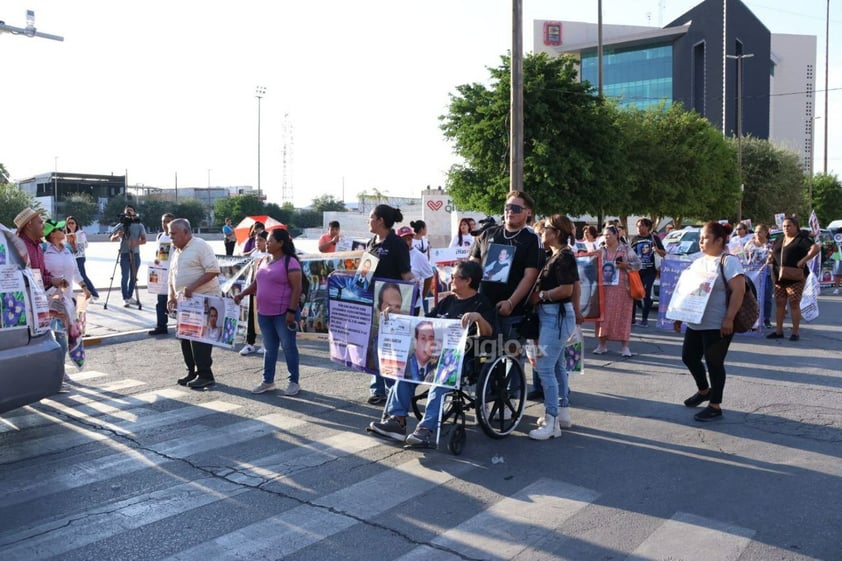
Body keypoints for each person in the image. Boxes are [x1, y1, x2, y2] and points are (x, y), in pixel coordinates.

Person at [369, 261, 494, 444]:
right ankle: (397, 421)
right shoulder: (448, 301)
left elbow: (489, 334)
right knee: (406, 371)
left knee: (440, 379)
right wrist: (398, 314)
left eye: (454, 277)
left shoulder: (481, 303)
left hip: (460, 358)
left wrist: (478, 319)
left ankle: (426, 428)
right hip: (432, 353)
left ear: (467, 280)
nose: (450, 280)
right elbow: (424, 323)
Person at [674, 221, 746, 422]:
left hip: (718, 323)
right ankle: (704, 390)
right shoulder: (698, 262)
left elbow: (739, 290)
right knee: (689, 357)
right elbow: (689, 290)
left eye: (705, 238)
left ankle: (715, 406)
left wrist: (729, 318)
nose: (701, 242)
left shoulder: (729, 261)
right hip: (696, 321)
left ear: (719, 240)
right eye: (700, 238)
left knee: (714, 363)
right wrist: (680, 314)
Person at [526, 215, 579, 439]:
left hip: (555, 316)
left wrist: (541, 295)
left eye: (546, 228)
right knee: (557, 366)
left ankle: (552, 422)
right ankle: (562, 413)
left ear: (556, 233)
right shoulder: (556, 255)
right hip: (554, 316)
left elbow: (567, 289)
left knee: (545, 368)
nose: (542, 231)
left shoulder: (564, 256)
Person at [234, 228, 302, 396]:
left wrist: (291, 311)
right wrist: (242, 294)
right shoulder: (264, 260)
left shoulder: (290, 262)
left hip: (283, 314)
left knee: (288, 347)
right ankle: (268, 381)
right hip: (264, 313)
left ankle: (293, 382)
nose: (267, 243)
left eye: (271, 241)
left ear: (281, 243)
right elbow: (257, 284)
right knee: (269, 349)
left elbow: (297, 289)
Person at [470, 191, 541, 350]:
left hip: (512, 313)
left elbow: (530, 276)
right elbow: (472, 268)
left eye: (516, 208)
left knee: (511, 363)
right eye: (508, 207)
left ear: (527, 212)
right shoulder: (488, 233)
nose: (510, 211)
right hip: (483, 309)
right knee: (482, 360)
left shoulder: (530, 239)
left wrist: (511, 302)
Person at [364, 204, 413, 404]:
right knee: (374, 347)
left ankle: (397, 394)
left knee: (391, 350)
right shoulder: (370, 243)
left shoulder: (397, 244)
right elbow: (364, 273)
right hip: (372, 305)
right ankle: (378, 390)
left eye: (370, 218)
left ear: (380, 220)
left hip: (391, 308)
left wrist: (412, 289)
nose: (368, 222)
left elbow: (406, 274)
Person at [167, 218, 222, 389]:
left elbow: (213, 270)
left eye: (173, 234)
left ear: (186, 232)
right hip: (185, 302)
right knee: (185, 338)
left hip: (202, 299)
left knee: (200, 340)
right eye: (170, 234)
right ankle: (192, 371)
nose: (171, 237)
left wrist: (192, 287)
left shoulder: (200, 246)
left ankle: (205, 374)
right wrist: (171, 296)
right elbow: (172, 276)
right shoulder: (177, 251)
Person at [43, 218, 90, 392]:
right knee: (50, 336)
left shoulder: (67, 249)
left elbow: (75, 270)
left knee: (62, 337)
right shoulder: (43, 250)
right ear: (51, 234)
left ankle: (59, 370)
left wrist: (84, 287)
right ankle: (53, 371)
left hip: (66, 300)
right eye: (59, 229)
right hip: (49, 300)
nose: (64, 230)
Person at [766, 216, 820, 341]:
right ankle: (778, 331)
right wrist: (770, 258)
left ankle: (795, 332)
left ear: (796, 227)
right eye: (784, 226)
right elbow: (773, 251)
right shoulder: (780, 239)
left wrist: (803, 260)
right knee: (779, 303)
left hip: (795, 276)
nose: (786, 228)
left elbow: (815, 248)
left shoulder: (801, 239)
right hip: (779, 277)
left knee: (794, 303)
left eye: (789, 226)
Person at [593, 225, 641, 356]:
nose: (606, 237)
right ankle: (601, 345)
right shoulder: (601, 250)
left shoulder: (625, 249)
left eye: (609, 235)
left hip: (623, 289)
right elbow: (591, 263)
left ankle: (625, 346)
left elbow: (638, 264)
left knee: (623, 316)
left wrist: (626, 265)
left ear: (616, 235)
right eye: (605, 235)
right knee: (603, 317)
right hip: (604, 289)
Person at [13, 208, 64, 291]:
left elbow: (41, 274)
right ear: (29, 226)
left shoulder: (37, 247)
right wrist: (51, 280)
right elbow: (24, 278)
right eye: (40, 223)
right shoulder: (20, 247)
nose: (44, 226)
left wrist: (54, 280)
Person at [630, 218, 666, 327]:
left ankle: (644, 319)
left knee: (646, 293)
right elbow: (630, 254)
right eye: (638, 226)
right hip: (637, 271)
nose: (639, 228)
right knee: (634, 294)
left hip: (650, 271)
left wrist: (657, 250)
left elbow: (664, 253)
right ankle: (632, 318)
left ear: (647, 227)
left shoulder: (654, 238)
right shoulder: (634, 239)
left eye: (641, 226)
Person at [109, 205, 147, 307]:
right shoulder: (121, 225)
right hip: (124, 254)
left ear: (134, 212)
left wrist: (135, 243)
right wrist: (117, 235)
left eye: (131, 211)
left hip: (135, 254)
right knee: (124, 276)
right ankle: (125, 298)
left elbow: (144, 240)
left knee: (133, 277)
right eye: (127, 211)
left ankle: (130, 296)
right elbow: (111, 238)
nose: (129, 213)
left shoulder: (139, 225)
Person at [239, 231, 269, 355]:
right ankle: (249, 343)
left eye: (261, 240)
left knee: (263, 318)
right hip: (252, 290)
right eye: (256, 240)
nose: (257, 243)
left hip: (265, 291)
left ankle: (265, 343)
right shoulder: (254, 253)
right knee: (251, 318)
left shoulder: (270, 255)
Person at [397, 226, 434, 315]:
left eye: (409, 239)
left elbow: (429, 277)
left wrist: (422, 296)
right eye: (404, 239)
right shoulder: (395, 254)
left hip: (412, 304)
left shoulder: (420, 257)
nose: (407, 242)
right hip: (396, 301)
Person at [149, 213, 175, 336]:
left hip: (173, 275)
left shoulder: (175, 237)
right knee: (160, 302)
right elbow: (159, 255)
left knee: (175, 302)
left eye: (168, 221)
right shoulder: (160, 236)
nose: (165, 224)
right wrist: (155, 262)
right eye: (164, 221)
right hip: (161, 274)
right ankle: (161, 325)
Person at [744, 223, 773, 328]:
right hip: (751, 274)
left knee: (767, 297)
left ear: (766, 233)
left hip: (766, 274)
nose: (757, 234)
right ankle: (752, 319)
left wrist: (769, 260)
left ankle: (766, 318)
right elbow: (744, 256)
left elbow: (772, 258)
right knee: (752, 296)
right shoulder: (750, 244)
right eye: (756, 231)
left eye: (760, 231)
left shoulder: (770, 245)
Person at [64, 216, 99, 300]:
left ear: (76, 224)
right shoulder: (65, 234)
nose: (70, 225)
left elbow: (85, 245)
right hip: (70, 257)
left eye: (72, 223)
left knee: (82, 276)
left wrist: (76, 239)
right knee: (71, 276)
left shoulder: (80, 233)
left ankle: (94, 294)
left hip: (79, 257)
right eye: (69, 223)